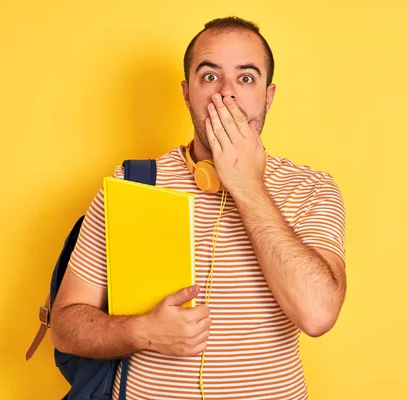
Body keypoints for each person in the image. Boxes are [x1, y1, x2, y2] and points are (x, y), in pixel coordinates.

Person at [50, 15, 347, 400]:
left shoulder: (311, 189)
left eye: (245, 78)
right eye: (210, 77)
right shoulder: (132, 182)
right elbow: (66, 324)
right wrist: (142, 331)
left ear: (268, 95)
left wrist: (247, 186)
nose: (226, 94)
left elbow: (318, 315)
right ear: (187, 92)